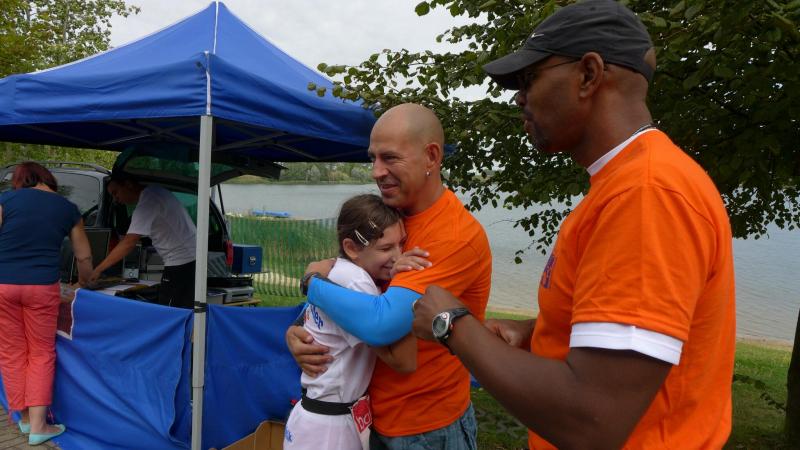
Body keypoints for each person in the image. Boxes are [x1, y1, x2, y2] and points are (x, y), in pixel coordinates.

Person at [410, 1, 736, 449]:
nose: (519, 98)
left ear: (588, 74)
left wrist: (452, 323)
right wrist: (538, 334)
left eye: (529, 79)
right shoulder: (625, 184)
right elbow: (626, 334)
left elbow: (593, 420)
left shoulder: (646, 194)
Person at [287, 103, 492, 450]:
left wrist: (311, 284)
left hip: (425, 429)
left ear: (431, 157)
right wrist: (298, 330)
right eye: (373, 158)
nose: (376, 171)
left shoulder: (452, 236)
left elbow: (380, 324)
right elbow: (353, 279)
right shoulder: (391, 219)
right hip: (369, 416)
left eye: (390, 158)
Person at [284, 194, 417, 450]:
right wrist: (406, 282)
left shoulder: (335, 272)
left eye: (401, 244)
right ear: (352, 248)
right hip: (330, 428)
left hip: (314, 416)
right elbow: (404, 361)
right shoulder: (357, 282)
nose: (398, 256)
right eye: (385, 248)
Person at [0, 162, 94, 446]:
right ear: (48, 179)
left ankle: (25, 419)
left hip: (3, 286)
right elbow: (83, 257)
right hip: (42, 287)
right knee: (40, 352)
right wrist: (83, 283)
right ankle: (40, 425)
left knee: (12, 352)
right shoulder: (68, 208)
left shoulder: (5, 200)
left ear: (21, 180)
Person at [89, 172, 197, 309]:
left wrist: (98, 269)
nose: (116, 199)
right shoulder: (156, 191)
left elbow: (129, 243)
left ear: (128, 184)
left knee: (170, 310)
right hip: (191, 259)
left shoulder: (148, 202)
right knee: (184, 308)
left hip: (181, 263)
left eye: (116, 193)